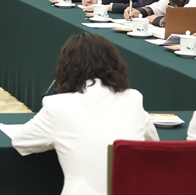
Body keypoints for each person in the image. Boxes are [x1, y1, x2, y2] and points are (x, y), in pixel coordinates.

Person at [12, 33, 158, 195]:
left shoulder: (57, 105)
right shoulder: (133, 98)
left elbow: (21, 141)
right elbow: (154, 143)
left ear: (66, 68)